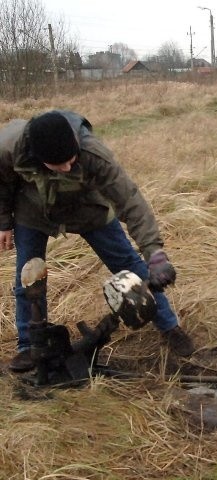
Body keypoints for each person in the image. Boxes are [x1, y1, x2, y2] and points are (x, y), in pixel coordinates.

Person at [0, 110, 196, 372]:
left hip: (88, 208)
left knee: (127, 264)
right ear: (39, 157)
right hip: (33, 211)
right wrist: (3, 222)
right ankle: (30, 347)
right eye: (59, 165)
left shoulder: (93, 153)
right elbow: (2, 183)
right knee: (29, 277)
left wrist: (155, 253)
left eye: (71, 161)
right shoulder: (9, 147)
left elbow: (129, 200)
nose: (68, 168)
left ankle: (170, 327)